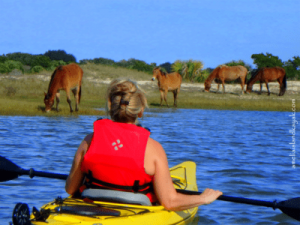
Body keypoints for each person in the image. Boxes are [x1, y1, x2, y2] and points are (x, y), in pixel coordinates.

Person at [65, 78, 222, 211]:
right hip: (135, 211)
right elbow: (169, 201)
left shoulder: (88, 141)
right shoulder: (153, 149)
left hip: (91, 208)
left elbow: (70, 188)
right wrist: (203, 199)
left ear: (110, 108)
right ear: (140, 111)